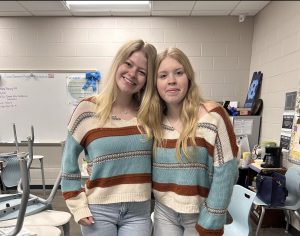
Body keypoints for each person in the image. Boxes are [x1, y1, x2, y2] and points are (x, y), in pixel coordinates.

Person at [61, 39, 157, 236]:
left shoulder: (150, 114)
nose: (132, 74)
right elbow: (68, 163)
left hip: (139, 211)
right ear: (117, 63)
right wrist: (77, 206)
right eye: (128, 64)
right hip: (98, 210)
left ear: (147, 79)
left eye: (142, 72)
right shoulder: (86, 110)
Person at [148, 47, 239, 236]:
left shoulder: (212, 116)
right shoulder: (154, 120)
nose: (171, 80)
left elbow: (227, 171)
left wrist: (211, 220)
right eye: (163, 75)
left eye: (179, 73)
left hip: (200, 214)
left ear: (188, 77)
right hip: (164, 212)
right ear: (155, 83)